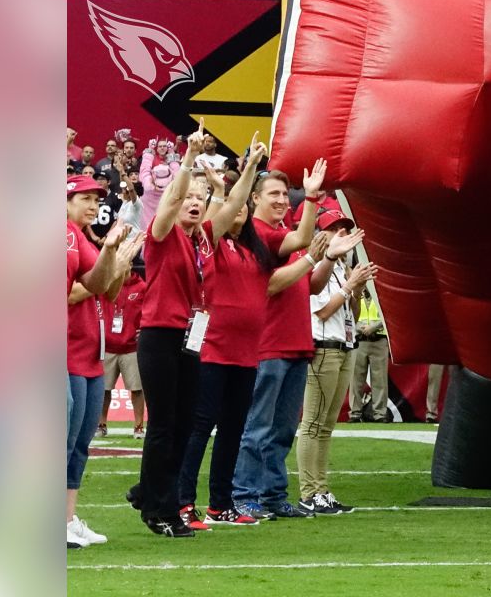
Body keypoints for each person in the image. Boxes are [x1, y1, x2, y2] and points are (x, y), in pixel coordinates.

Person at [174, 143, 289, 530]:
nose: (237, 212)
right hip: (213, 349)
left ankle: (220, 503)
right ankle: (183, 501)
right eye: (232, 208)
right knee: (201, 426)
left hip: (245, 352)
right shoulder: (212, 243)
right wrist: (249, 169)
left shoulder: (252, 251)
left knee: (234, 428)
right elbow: (224, 209)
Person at [231, 162, 339, 520]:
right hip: (269, 344)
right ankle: (244, 494)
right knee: (259, 426)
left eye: (283, 194)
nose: (280, 200)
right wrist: (311, 253)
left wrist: (326, 259)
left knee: (282, 429)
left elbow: (309, 286)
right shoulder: (255, 234)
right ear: (254, 199)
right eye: (273, 194)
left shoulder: (280, 234)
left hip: (295, 343)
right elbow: (272, 285)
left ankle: (272, 494)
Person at [130, 122, 214, 537]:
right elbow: (171, 201)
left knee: (184, 422)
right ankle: (159, 510)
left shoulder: (201, 244)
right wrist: (189, 161)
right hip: (161, 334)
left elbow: (229, 208)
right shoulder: (162, 235)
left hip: (189, 335)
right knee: (165, 422)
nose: (194, 203)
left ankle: (150, 492)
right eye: (188, 199)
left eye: (202, 199)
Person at [66, 176, 144, 548]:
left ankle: (67, 518)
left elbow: (106, 289)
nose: (94, 205)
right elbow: (70, 292)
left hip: (90, 351)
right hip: (68, 348)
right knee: (63, 441)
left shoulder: (80, 238)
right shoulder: (63, 235)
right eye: (85, 198)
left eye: (97, 199)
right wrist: (110, 263)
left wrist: (117, 257)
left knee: (80, 443)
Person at [298, 211, 374, 515]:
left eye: (345, 230)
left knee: (327, 424)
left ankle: (321, 488)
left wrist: (355, 288)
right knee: (313, 423)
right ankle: (309, 491)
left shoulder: (341, 268)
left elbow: (351, 317)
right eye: (335, 230)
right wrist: (348, 286)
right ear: (322, 234)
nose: (342, 235)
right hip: (323, 348)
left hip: (343, 346)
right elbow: (322, 312)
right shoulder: (318, 266)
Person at [97, 258, 147, 440]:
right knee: (104, 389)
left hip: (131, 347)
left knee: (137, 389)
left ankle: (139, 426)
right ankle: (101, 424)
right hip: (108, 345)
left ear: (131, 265)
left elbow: (148, 311)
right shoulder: (106, 284)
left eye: (124, 262)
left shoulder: (142, 287)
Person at [351, 287, 391, 422]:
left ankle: (379, 414)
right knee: (356, 380)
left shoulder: (382, 293)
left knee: (380, 380)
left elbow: (388, 313)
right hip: (360, 340)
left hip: (378, 339)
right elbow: (349, 313)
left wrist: (374, 327)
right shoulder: (354, 293)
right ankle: (355, 413)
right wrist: (360, 327)